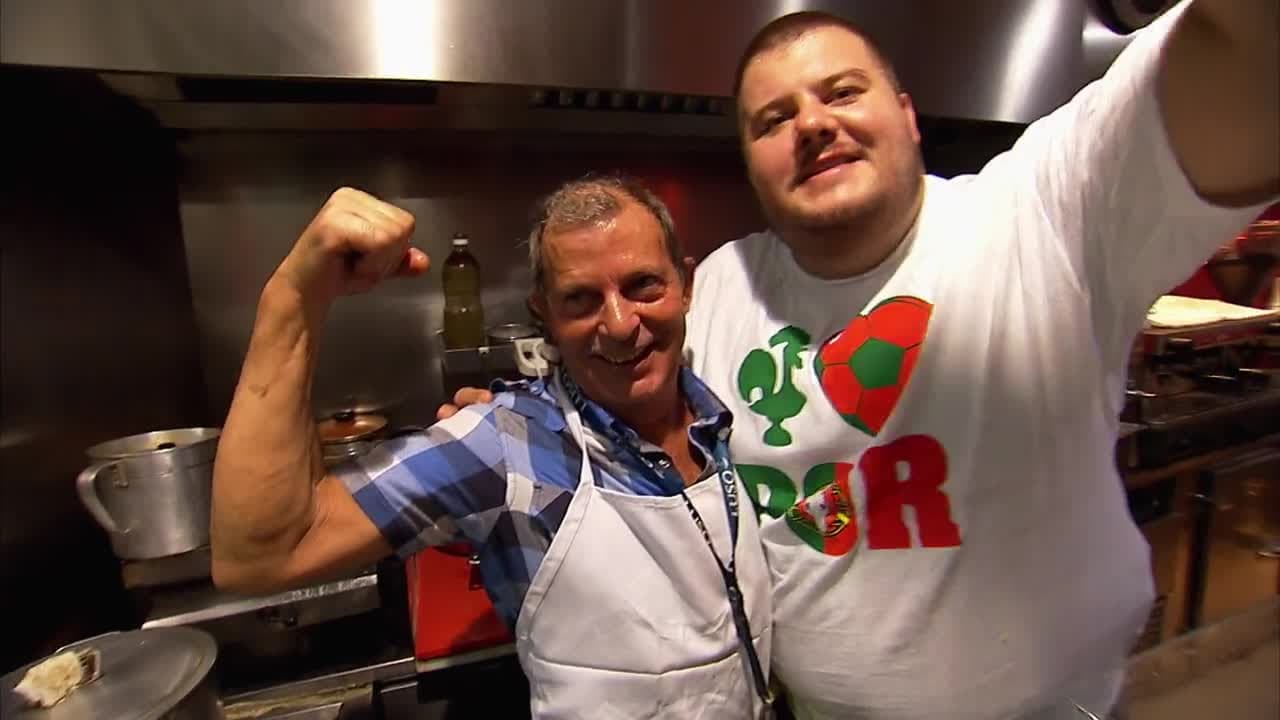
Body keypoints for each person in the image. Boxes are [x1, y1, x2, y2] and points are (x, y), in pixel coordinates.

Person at [443, 2, 1279, 718]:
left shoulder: (1046, 211)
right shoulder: (722, 287)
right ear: (751, 163)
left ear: (907, 114)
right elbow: (614, 393)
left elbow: (1248, 58)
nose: (811, 124)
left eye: (842, 92)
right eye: (773, 120)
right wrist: (517, 426)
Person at [208, 177, 775, 719]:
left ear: (686, 285)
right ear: (544, 315)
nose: (621, 324)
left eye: (643, 285)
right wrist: (294, 297)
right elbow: (261, 557)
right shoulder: (507, 443)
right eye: (580, 300)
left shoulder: (725, 407)